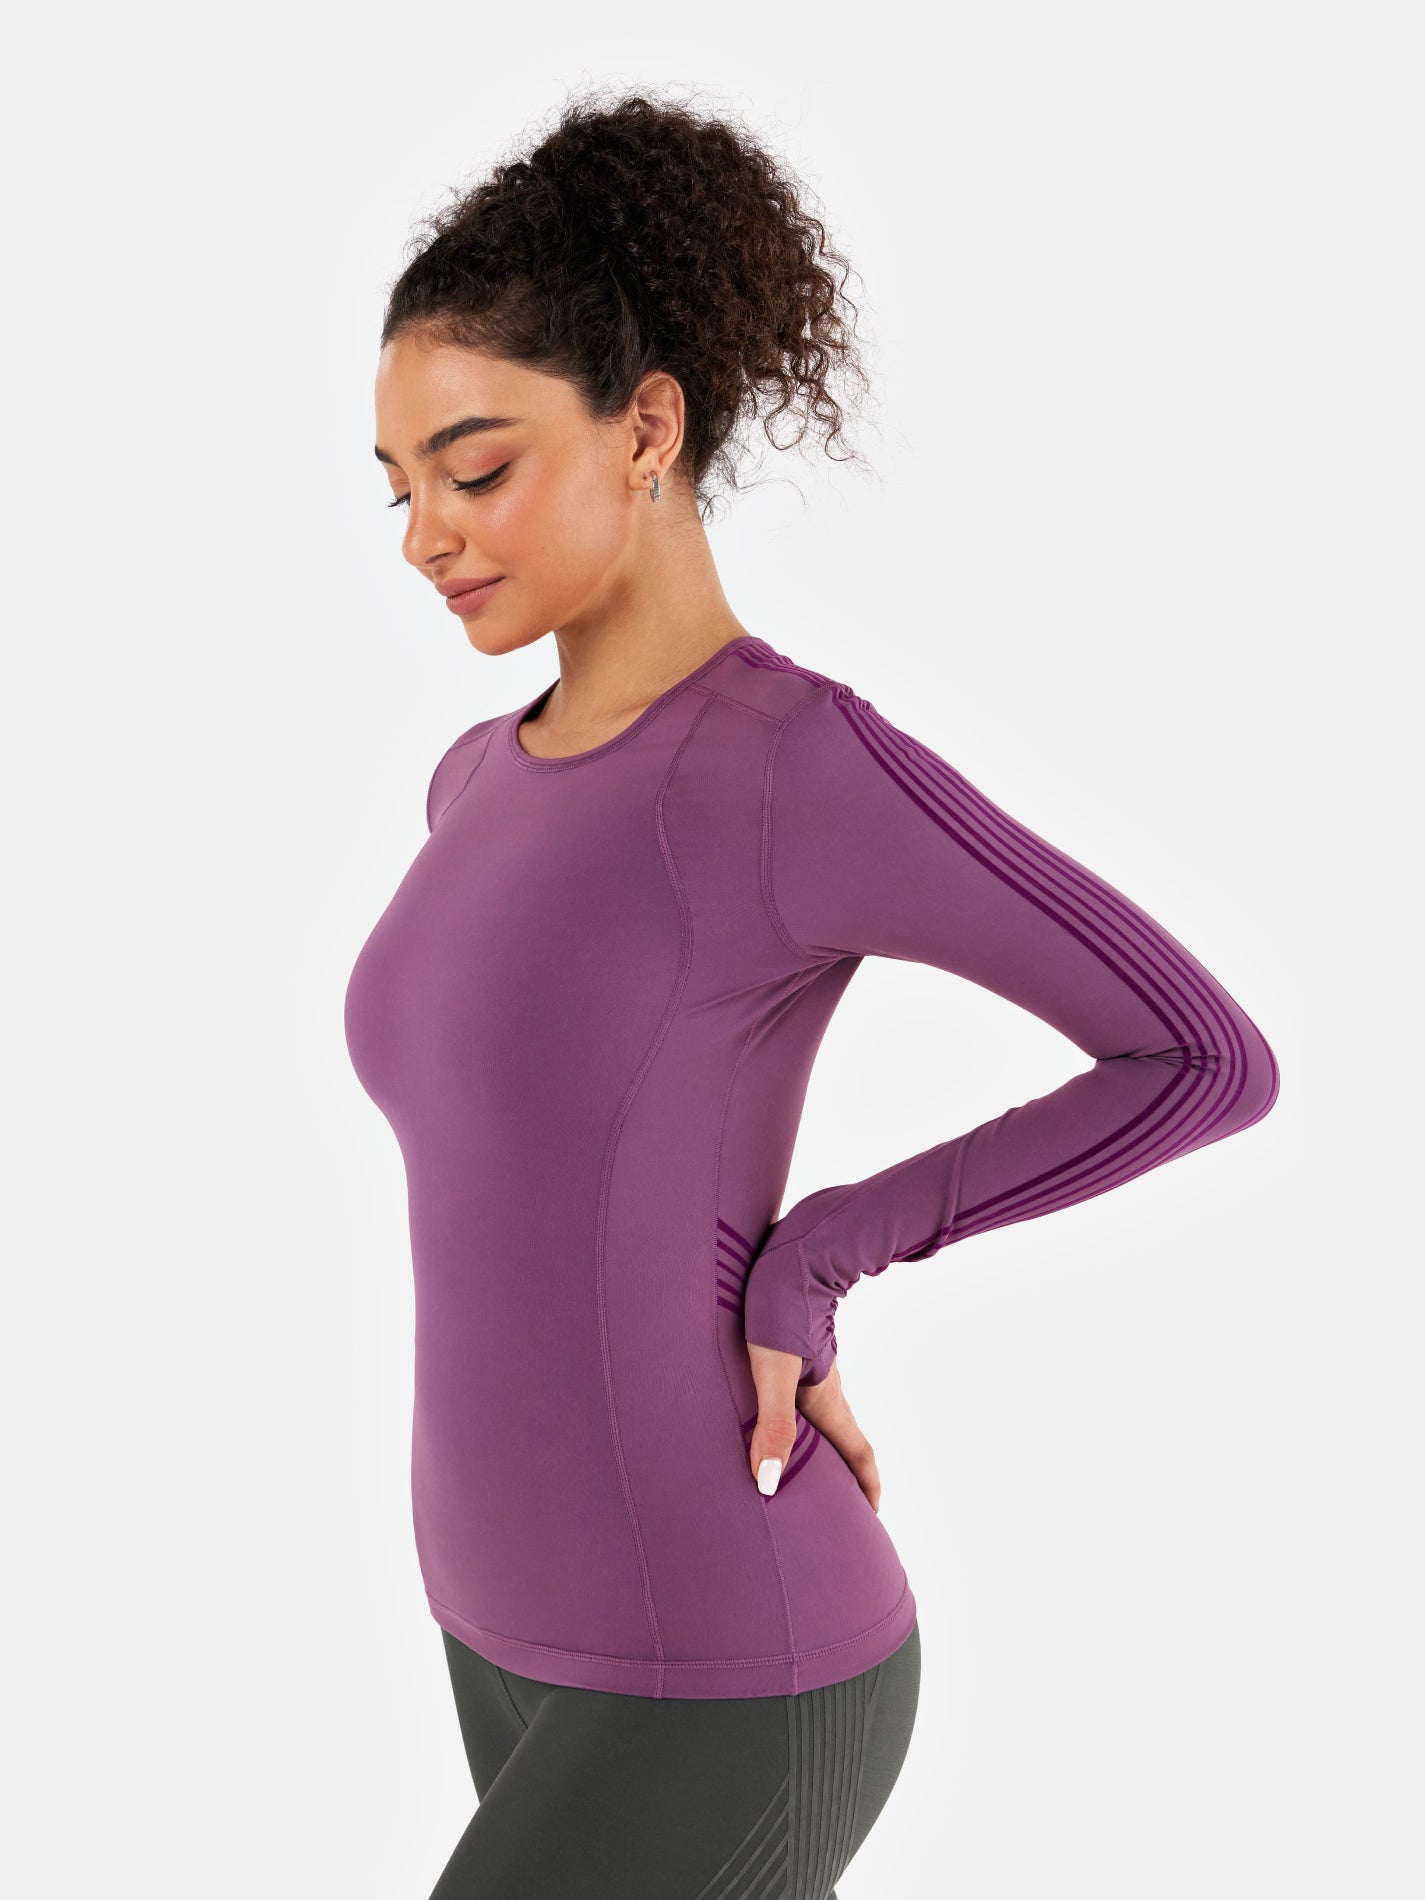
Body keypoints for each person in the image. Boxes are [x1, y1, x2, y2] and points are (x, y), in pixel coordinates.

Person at [343, 86, 1280, 1900]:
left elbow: (1196, 1055)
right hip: (493, 1626)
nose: (423, 535)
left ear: (646, 428)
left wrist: (821, 1252)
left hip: (718, 1651)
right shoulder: (472, 781)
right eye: (398, 488)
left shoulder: (781, 766)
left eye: (473, 469)